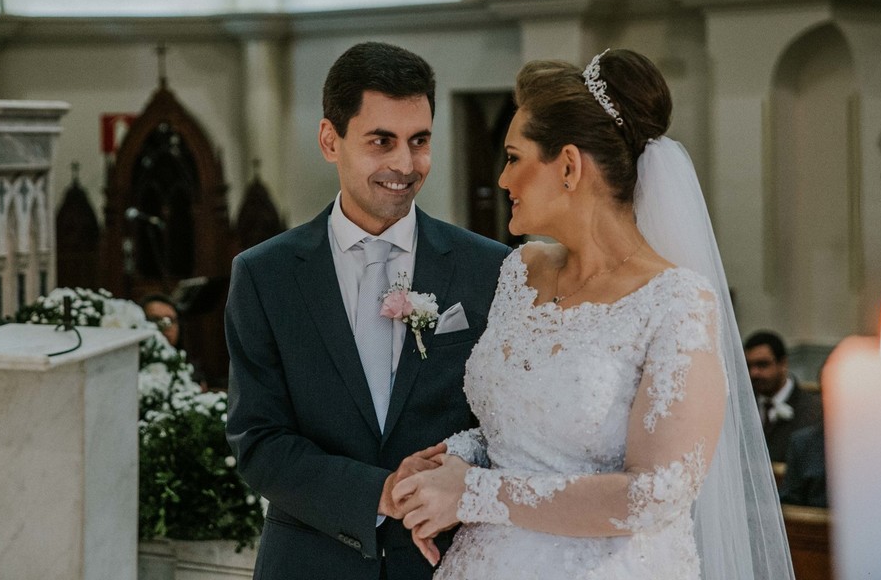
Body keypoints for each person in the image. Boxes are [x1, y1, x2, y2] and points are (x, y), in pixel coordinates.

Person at [391, 51, 794, 580]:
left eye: (513, 157)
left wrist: (472, 493)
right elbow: (520, 431)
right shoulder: (521, 272)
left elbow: (654, 493)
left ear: (569, 166)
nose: (503, 179)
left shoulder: (674, 302)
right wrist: (454, 459)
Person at [225, 42, 510, 580]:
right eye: (382, 141)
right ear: (330, 140)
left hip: (447, 561)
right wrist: (379, 492)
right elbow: (257, 441)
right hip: (310, 562)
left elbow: (509, 427)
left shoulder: (490, 269)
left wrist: (455, 480)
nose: (405, 164)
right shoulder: (265, 275)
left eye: (419, 141)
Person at [744, 329, 823, 463]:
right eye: (748, 366)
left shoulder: (814, 410)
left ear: (783, 364)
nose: (754, 373)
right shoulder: (741, 408)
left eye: (762, 365)